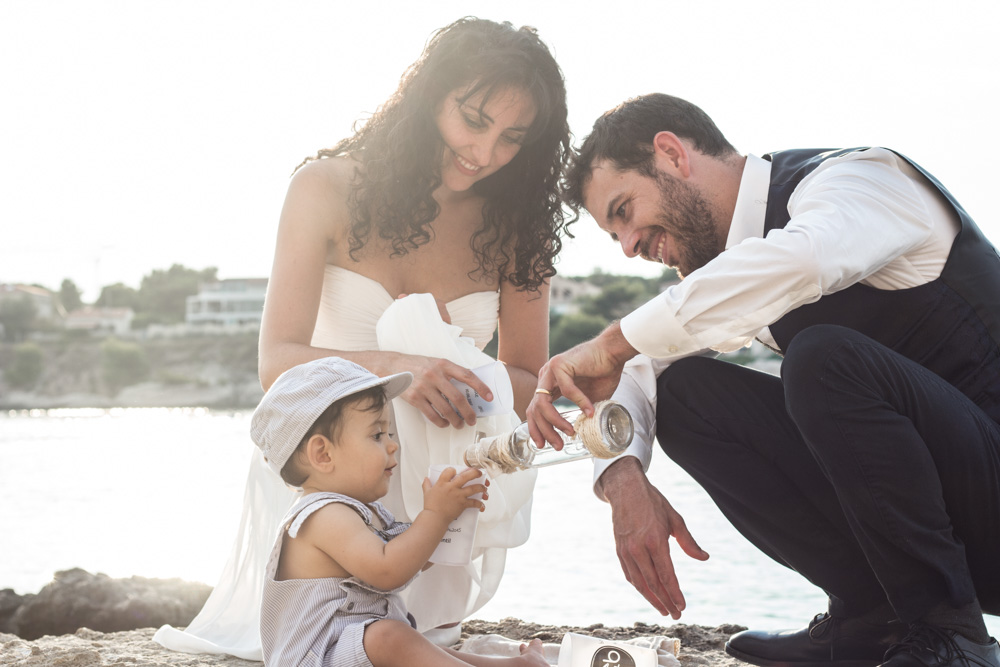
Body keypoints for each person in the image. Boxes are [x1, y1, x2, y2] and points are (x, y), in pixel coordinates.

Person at [526, 93, 1000, 667]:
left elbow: (806, 261)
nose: (629, 247)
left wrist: (610, 340)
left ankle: (953, 635)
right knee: (688, 396)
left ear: (672, 154)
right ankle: (874, 618)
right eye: (614, 237)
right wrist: (623, 482)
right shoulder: (732, 273)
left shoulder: (863, 179)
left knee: (824, 360)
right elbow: (639, 372)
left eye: (624, 211)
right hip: (946, 527)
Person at [155, 17, 570, 660]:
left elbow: (525, 377)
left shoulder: (518, 228)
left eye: (513, 138)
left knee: (414, 642)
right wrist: (403, 364)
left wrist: (456, 367)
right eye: (473, 119)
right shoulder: (325, 188)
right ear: (430, 95)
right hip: (329, 483)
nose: (485, 152)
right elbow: (279, 363)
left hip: (443, 487)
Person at [249, 356, 547, 667]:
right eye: (377, 435)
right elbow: (388, 572)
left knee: (415, 643)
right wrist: (435, 515)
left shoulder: (364, 511)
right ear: (323, 454)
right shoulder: (322, 515)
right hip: (319, 658)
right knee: (390, 638)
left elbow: (412, 559)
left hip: (352, 651)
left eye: (390, 433)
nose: (393, 445)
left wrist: (450, 515)